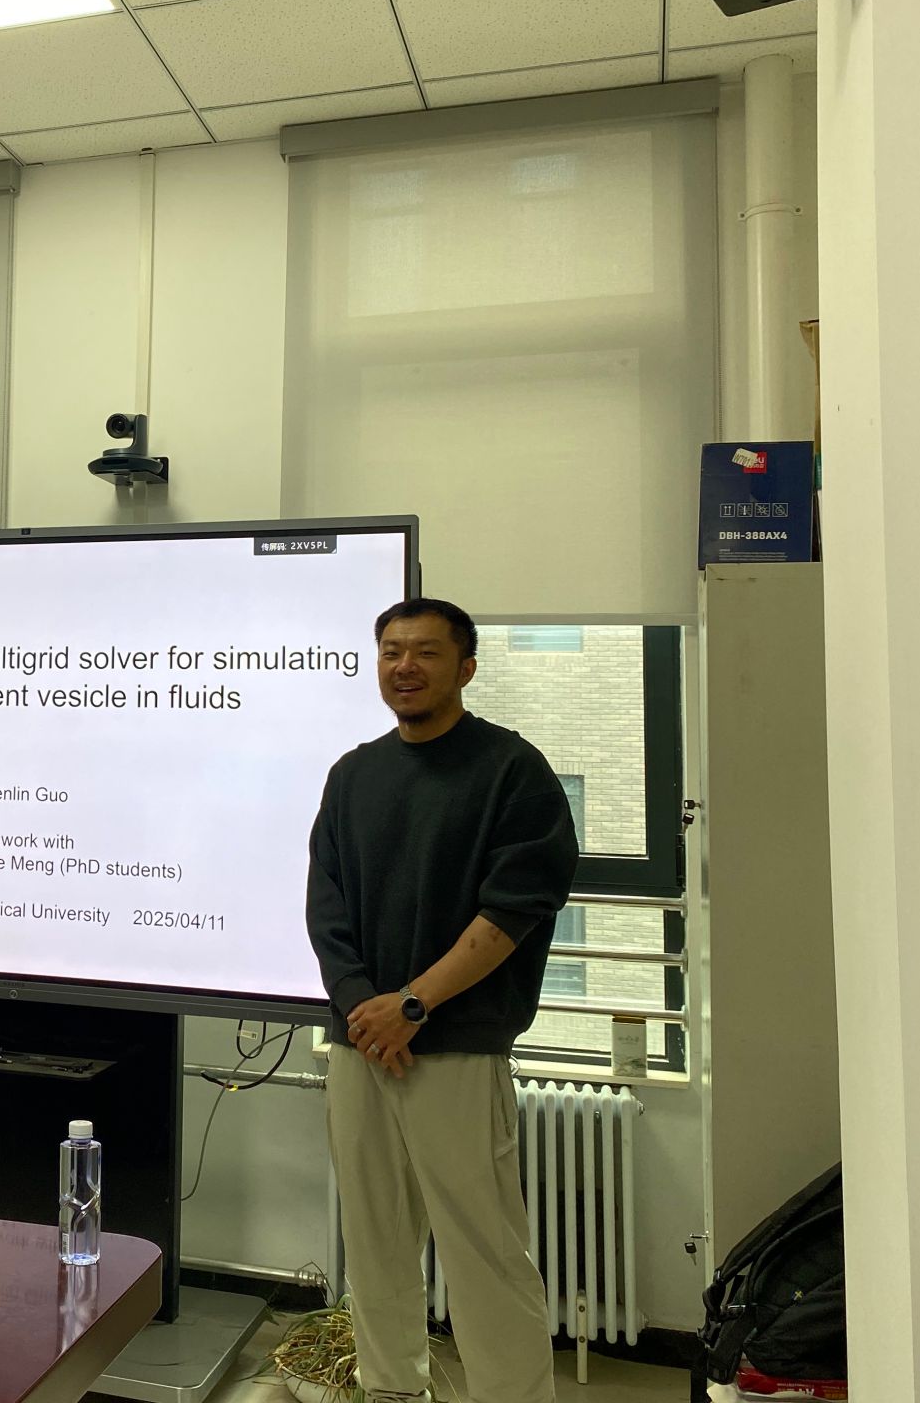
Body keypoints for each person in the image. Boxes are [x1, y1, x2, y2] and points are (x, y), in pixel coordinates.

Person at [306, 597, 578, 1403]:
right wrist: (366, 1010)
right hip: (362, 1050)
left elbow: (513, 913)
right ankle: (392, 1391)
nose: (405, 667)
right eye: (391, 651)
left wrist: (412, 1007)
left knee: (484, 1254)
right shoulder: (353, 774)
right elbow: (327, 911)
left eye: (426, 652)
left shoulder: (511, 771)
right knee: (375, 1247)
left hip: (455, 1048)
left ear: (466, 667)